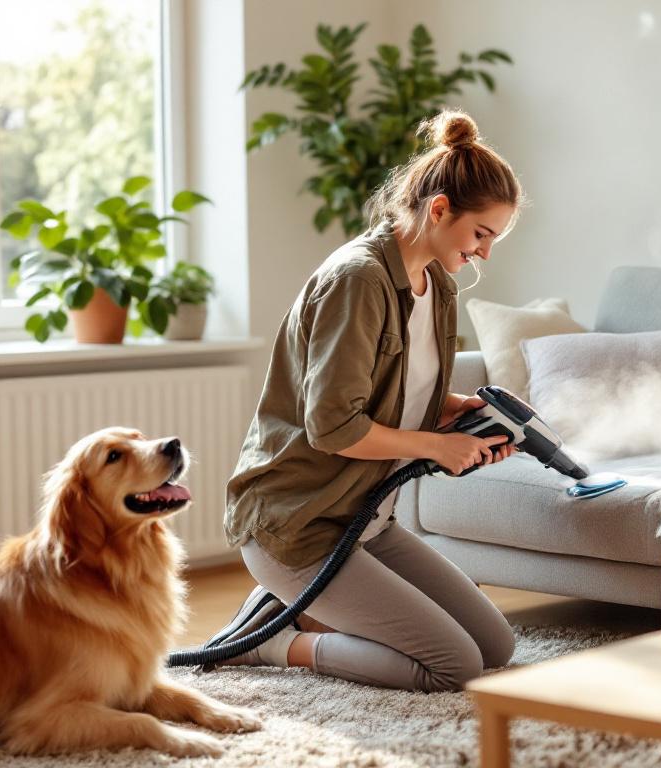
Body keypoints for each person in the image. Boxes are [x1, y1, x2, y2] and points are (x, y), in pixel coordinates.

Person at [214, 109, 523, 692]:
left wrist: (451, 412)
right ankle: (274, 641)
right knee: (453, 665)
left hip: (364, 522)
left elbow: (387, 397)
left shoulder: (438, 285)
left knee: (496, 646)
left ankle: (290, 609)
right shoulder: (359, 279)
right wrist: (435, 444)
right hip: (299, 528)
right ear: (439, 210)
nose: (485, 253)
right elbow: (333, 427)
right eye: (481, 234)